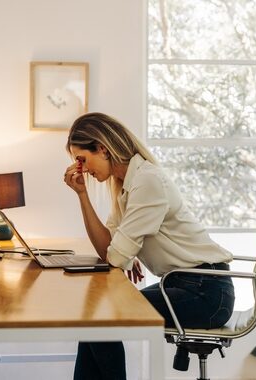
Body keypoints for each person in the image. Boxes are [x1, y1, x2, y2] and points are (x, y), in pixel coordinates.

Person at [63, 112, 235, 380]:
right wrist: (82, 195)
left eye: (82, 159)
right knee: (94, 320)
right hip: (184, 284)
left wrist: (122, 255)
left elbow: (116, 257)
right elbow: (108, 248)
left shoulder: (147, 180)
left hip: (207, 293)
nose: (81, 168)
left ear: (102, 149)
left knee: (100, 318)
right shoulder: (126, 185)